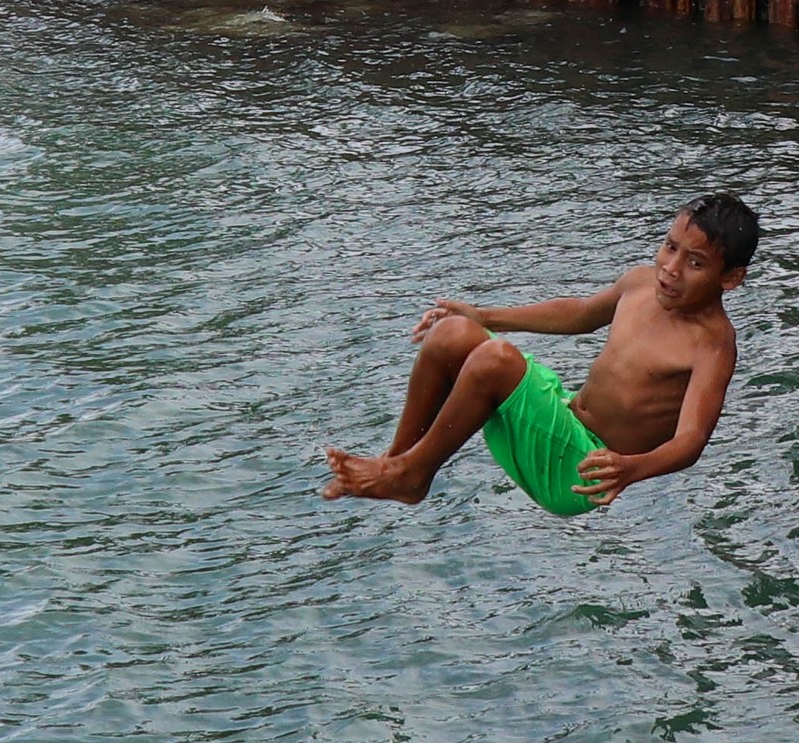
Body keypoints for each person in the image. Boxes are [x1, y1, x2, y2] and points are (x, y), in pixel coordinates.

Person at [323, 194, 757, 513]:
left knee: (496, 361)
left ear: (731, 278)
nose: (671, 269)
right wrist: (482, 315)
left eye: (695, 263)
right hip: (564, 415)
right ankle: (397, 464)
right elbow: (580, 314)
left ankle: (410, 474)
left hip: (583, 468)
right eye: (670, 247)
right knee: (451, 333)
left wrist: (632, 468)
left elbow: (691, 440)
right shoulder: (641, 282)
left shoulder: (713, 344)